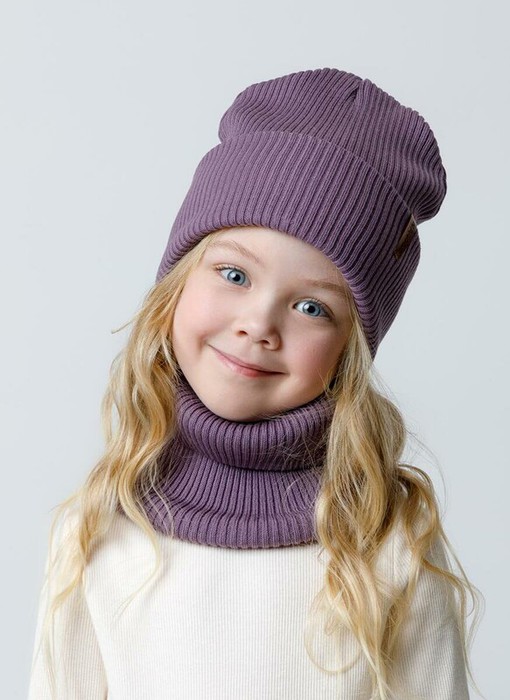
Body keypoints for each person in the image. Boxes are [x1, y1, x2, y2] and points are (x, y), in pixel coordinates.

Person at [27, 67, 484, 700]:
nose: (259, 325)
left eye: (312, 307)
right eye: (234, 275)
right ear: (175, 286)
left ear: (350, 349)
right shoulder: (98, 530)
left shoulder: (389, 546)